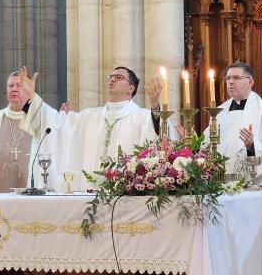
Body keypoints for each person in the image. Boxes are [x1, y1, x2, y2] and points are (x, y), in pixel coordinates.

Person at [17, 66, 159, 191]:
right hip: (87, 196)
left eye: (119, 77)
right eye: (110, 77)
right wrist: (31, 98)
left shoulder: (142, 117)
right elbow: (58, 124)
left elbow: (157, 136)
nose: (112, 80)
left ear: (131, 88)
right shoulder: (90, 116)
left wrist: (156, 107)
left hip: (126, 197)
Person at [203, 61, 262, 185]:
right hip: (221, 185)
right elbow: (209, 145)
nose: (230, 81)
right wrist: (192, 138)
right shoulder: (218, 112)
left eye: (236, 78)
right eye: (228, 78)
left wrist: (252, 147)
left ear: (250, 82)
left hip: (254, 186)